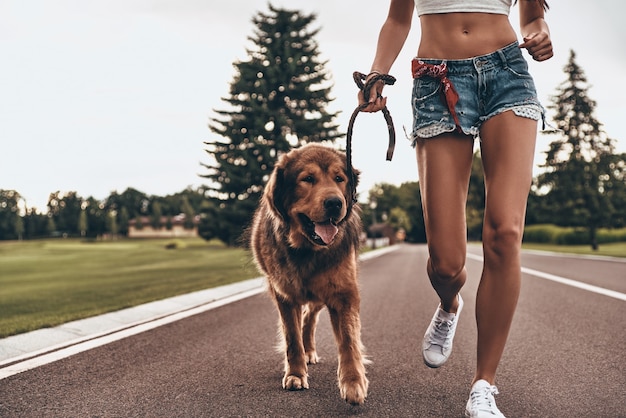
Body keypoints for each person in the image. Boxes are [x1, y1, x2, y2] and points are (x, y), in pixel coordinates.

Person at [358, 0, 553, 416]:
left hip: (507, 75)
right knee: (445, 264)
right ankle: (449, 304)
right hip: (436, 80)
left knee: (504, 234)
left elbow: (533, 14)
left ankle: (484, 385)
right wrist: (378, 71)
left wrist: (540, 32)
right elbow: (397, 18)